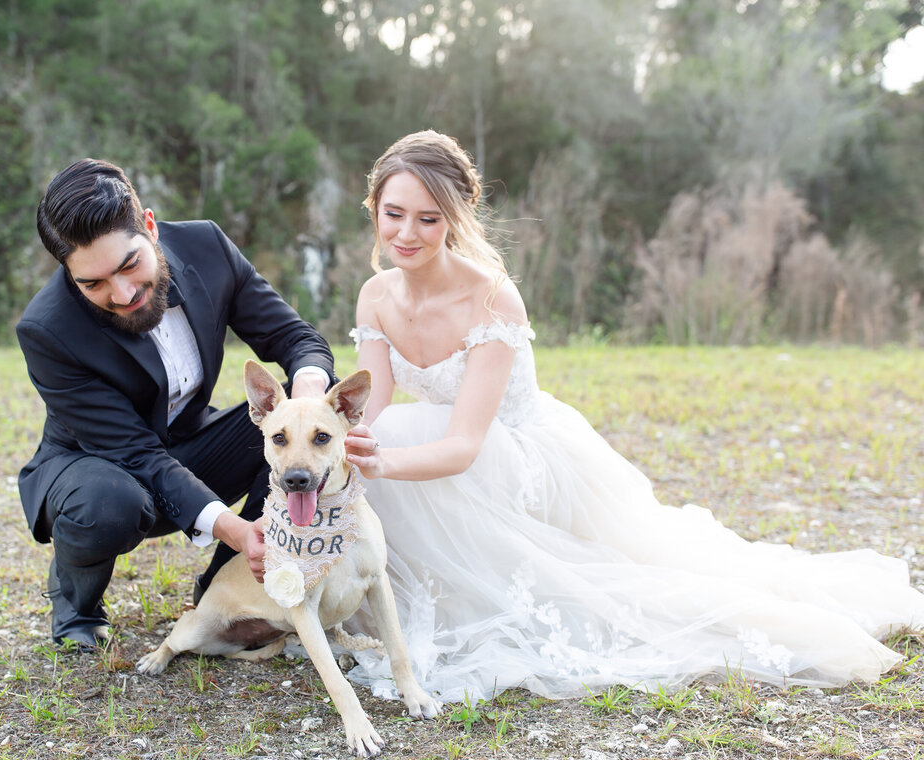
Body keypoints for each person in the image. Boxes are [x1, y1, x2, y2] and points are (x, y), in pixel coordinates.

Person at [340, 130, 924, 702]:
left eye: (429, 218)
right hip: (439, 443)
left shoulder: (492, 297)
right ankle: (368, 599)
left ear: (457, 217)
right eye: (394, 213)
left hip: (516, 459)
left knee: (396, 449)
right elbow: (376, 404)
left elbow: (467, 444)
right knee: (377, 440)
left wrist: (384, 460)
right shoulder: (377, 295)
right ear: (374, 207)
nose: (407, 233)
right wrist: (347, 447)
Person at [17, 158, 335, 651]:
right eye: (93, 284)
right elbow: (137, 454)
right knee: (109, 503)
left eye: (128, 265)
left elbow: (292, 336)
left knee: (282, 442)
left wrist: (309, 393)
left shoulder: (206, 246)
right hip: (95, 467)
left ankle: (220, 592)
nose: (121, 294)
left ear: (149, 226)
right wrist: (232, 527)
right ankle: (75, 604)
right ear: (67, 272)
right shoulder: (47, 330)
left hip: (190, 444)